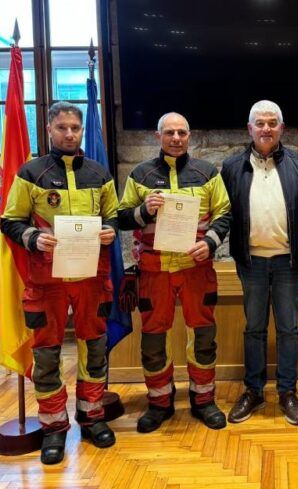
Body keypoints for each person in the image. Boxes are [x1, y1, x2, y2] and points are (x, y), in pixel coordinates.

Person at [1, 101, 118, 465]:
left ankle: (92, 416)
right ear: (49, 129)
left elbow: (113, 217)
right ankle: (53, 427)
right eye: (62, 127)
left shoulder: (100, 173)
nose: (70, 134)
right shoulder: (31, 172)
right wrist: (32, 237)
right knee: (47, 353)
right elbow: (9, 221)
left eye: (75, 128)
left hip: (91, 280)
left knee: (94, 350)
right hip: (46, 280)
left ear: (83, 131)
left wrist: (111, 232)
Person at [118, 112, 231, 433]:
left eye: (182, 132)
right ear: (158, 136)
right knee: (154, 339)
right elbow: (122, 217)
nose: (176, 138)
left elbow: (225, 212)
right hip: (154, 271)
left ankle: (204, 400)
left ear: (190, 135)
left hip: (197, 268)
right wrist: (143, 210)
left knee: (204, 336)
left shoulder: (207, 173)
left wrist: (210, 242)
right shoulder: (140, 175)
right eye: (170, 132)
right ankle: (159, 402)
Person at [221, 100, 298, 425]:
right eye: (259, 123)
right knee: (254, 329)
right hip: (251, 264)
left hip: (289, 264)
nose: (265, 128)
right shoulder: (232, 166)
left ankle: (288, 392)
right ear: (249, 129)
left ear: (281, 129)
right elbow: (224, 213)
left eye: (272, 123)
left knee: (289, 329)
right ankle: (254, 391)